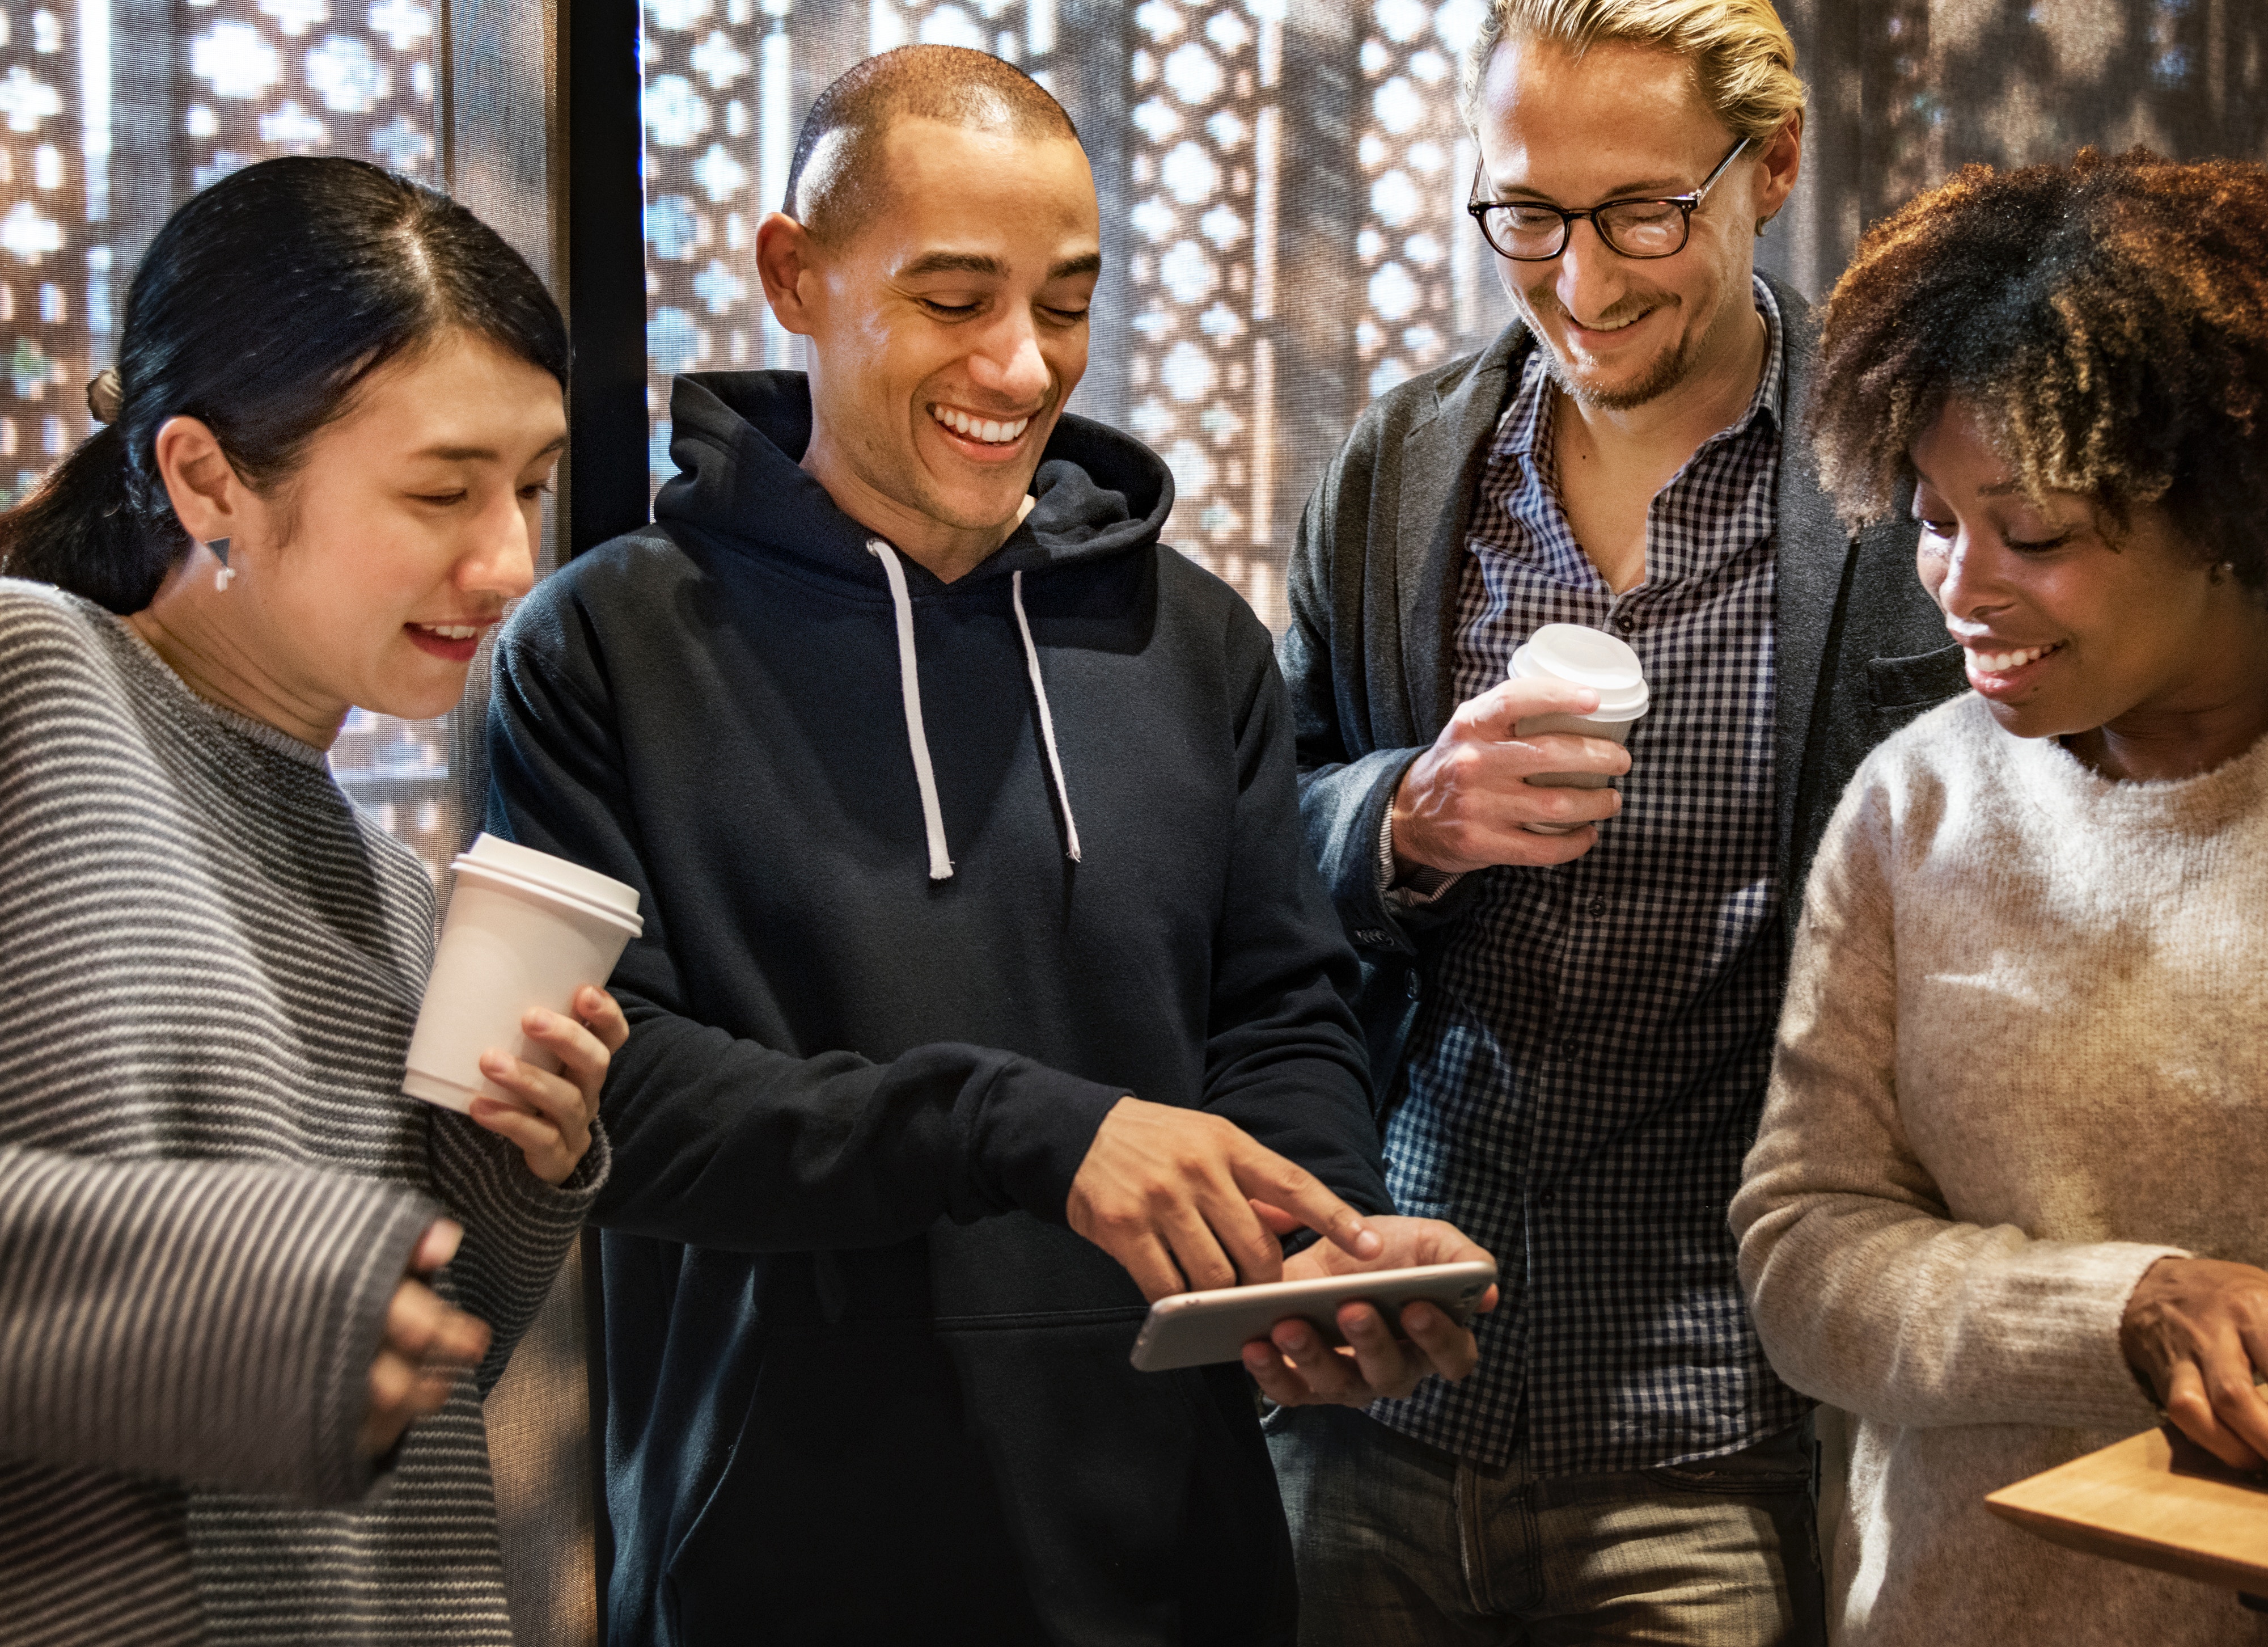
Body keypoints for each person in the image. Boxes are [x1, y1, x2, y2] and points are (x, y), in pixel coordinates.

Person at [484, 44, 1491, 1647]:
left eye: (1067, 303)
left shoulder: (1193, 643)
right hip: (773, 1574)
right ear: (793, 275)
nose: (1022, 367)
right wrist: (1032, 1127)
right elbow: (621, 1103)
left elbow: (1278, 1013)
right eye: (955, 301)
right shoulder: (603, 648)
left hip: (1177, 1558)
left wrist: (1320, 1248)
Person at [1268, 1, 1969, 1640]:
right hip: (1389, 1395)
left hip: (1710, 1427)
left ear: (1770, 167)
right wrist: (1402, 818)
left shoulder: (1893, 491)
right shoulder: (1402, 467)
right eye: (1528, 214)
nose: (1581, 281)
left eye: (1644, 212)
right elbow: (1255, 838)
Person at [0, 157, 625, 1645]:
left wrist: (513, 1174)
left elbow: (399, 1365)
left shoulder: (386, 888)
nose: (508, 562)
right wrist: (273, 1299)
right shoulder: (33, 688)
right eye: (439, 490)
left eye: (531, 487)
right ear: (206, 476)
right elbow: (282, 1317)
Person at [1731, 147, 2268, 1646]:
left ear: (2221, 508)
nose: (1959, 586)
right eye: (1930, 515)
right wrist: (2123, 1309)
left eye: (2030, 533)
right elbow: (1802, 1253)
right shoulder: (1919, 804)